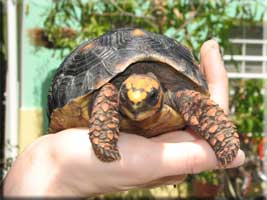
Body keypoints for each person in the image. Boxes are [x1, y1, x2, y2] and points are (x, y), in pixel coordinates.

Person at [3, 40, 245, 198]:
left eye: (148, 98)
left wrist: (222, 135)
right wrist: (47, 168)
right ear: (122, 93)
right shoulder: (109, 93)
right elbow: (107, 93)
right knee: (106, 93)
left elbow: (200, 104)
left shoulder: (180, 95)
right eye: (128, 98)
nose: (137, 104)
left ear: (159, 92)